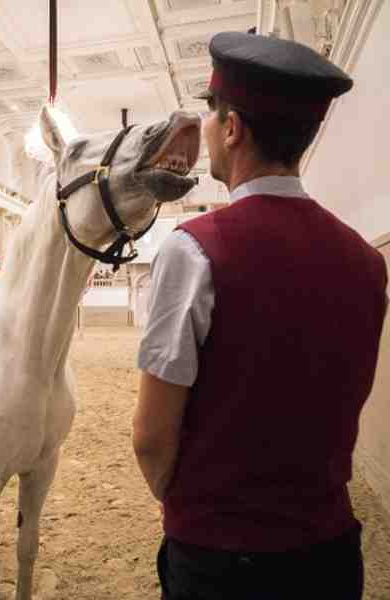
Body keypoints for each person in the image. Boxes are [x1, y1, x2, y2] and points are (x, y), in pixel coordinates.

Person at [132, 32, 386, 600]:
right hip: (331, 554)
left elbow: (151, 437)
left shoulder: (193, 249)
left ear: (232, 128)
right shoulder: (368, 262)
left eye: (211, 113)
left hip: (222, 561)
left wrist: (202, 508)